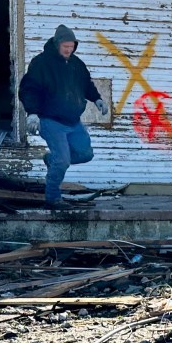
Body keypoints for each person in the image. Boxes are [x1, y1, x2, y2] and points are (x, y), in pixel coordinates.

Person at [18, 24, 108, 207]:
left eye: (72, 46)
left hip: (73, 121)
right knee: (63, 160)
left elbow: (86, 84)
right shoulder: (41, 63)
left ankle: (51, 160)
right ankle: (53, 199)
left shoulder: (76, 64)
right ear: (57, 44)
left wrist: (97, 99)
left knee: (85, 154)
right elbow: (29, 89)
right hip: (50, 120)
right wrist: (33, 113)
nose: (69, 50)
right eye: (65, 46)